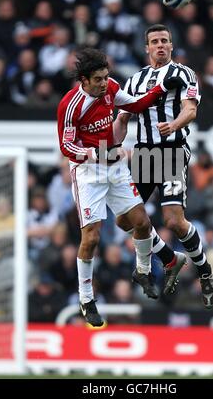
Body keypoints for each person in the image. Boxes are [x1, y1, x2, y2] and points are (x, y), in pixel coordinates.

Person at [57, 47, 184, 326]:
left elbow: (137, 105)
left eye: (106, 77)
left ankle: (142, 271)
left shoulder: (112, 88)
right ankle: (87, 298)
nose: (105, 83)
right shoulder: (70, 105)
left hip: (114, 164)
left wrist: (162, 86)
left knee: (140, 220)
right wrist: (96, 154)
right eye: (99, 79)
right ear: (84, 79)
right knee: (91, 238)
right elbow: (66, 147)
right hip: (88, 171)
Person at [114, 24, 213, 308]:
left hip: (172, 150)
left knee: (173, 220)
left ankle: (204, 270)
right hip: (145, 155)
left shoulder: (183, 73)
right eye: (154, 41)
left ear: (171, 46)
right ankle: (165, 260)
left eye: (164, 41)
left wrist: (173, 125)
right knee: (126, 220)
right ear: (146, 47)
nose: (160, 45)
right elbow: (122, 121)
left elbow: (190, 109)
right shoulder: (134, 81)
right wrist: (108, 149)